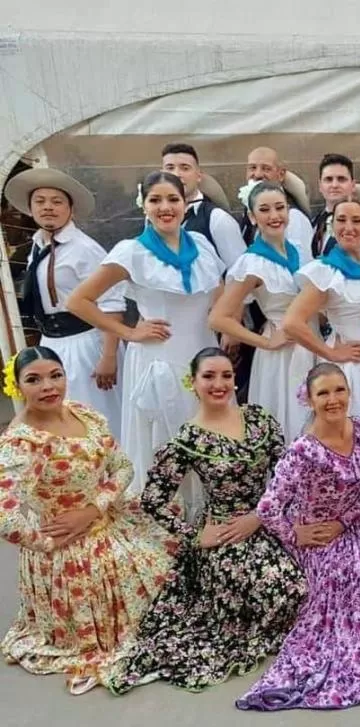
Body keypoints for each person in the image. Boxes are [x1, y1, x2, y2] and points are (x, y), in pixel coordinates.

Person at [106, 348, 306, 694]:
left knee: (312, 583)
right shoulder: (188, 439)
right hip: (227, 532)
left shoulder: (259, 418)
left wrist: (260, 515)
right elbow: (152, 499)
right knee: (284, 589)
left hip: (268, 518)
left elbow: (287, 475)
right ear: (193, 383)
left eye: (226, 376)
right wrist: (195, 536)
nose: (219, 384)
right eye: (209, 376)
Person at [237, 363, 360, 710]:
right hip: (317, 531)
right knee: (348, 571)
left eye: (339, 390)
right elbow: (267, 508)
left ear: (349, 392)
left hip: (356, 519)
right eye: (323, 393)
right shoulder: (303, 451)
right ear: (310, 400)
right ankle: (354, 647)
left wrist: (346, 520)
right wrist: (295, 534)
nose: (332, 399)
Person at [0, 347, 173, 695]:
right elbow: (5, 517)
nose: (48, 386)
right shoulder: (22, 444)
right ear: (17, 387)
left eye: (55, 375)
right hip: (69, 549)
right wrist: (47, 543)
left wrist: (93, 509)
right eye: (34, 380)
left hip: (107, 515)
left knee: (172, 557)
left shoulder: (83, 414)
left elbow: (123, 467)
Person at [66, 171, 225, 495]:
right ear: (144, 206)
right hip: (159, 357)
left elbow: (216, 292)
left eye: (173, 199)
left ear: (185, 203)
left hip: (203, 350)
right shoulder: (131, 252)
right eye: (156, 200)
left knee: (210, 430)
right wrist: (128, 332)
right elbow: (78, 301)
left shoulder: (203, 246)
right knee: (169, 439)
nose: (165, 207)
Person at [3, 167, 125, 436]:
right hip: (53, 343)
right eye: (40, 201)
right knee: (60, 418)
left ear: (71, 208)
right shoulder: (37, 244)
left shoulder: (84, 249)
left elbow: (112, 303)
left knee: (95, 415)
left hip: (87, 342)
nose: (48, 208)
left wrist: (108, 357)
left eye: (56, 201)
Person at [208, 181, 315, 442]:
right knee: (288, 421)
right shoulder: (252, 263)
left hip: (311, 344)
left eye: (280, 207)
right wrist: (265, 342)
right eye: (265, 210)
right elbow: (218, 317)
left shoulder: (299, 251)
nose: (274, 216)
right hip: (282, 354)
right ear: (253, 217)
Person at [285, 197, 360, 453]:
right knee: (355, 445)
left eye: (357, 221)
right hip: (354, 369)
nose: (349, 227)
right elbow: (292, 322)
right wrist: (331, 353)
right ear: (332, 227)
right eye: (341, 220)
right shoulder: (327, 272)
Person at [161, 142, 247, 266]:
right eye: (170, 168)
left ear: (199, 175)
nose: (177, 174)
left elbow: (240, 273)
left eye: (185, 168)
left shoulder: (217, 219)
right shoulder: (154, 217)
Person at [309, 153, 360, 268]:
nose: (334, 185)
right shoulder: (315, 223)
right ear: (320, 186)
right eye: (328, 179)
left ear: (353, 185)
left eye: (341, 179)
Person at [240, 147, 314, 256]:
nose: (258, 174)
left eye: (266, 169)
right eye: (252, 168)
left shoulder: (294, 217)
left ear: (281, 174)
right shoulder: (248, 211)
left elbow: (301, 263)